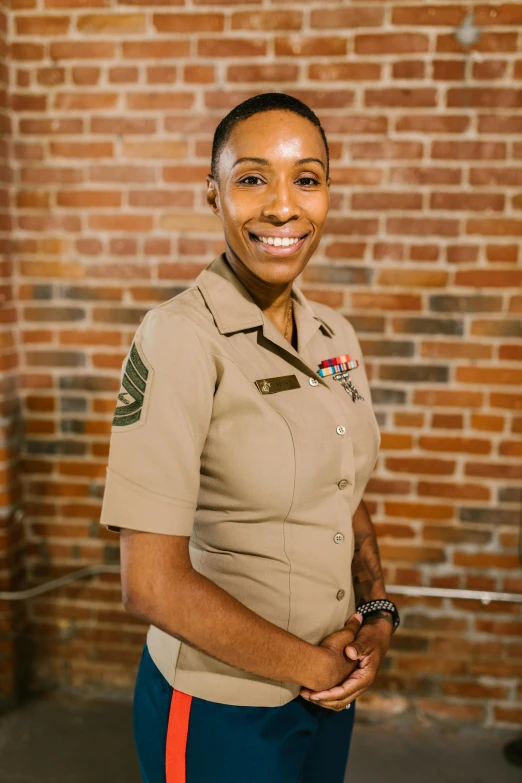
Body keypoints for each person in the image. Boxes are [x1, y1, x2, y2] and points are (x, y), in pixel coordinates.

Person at [99, 93, 400, 783]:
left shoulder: (334, 336)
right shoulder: (179, 339)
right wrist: (317, 666)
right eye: (253, 178)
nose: (283, 206)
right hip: (220, 708)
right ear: (214, 194)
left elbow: (342, 485)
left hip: (327, 696)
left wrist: (376, 609)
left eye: (308, 178)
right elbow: (150, 584)